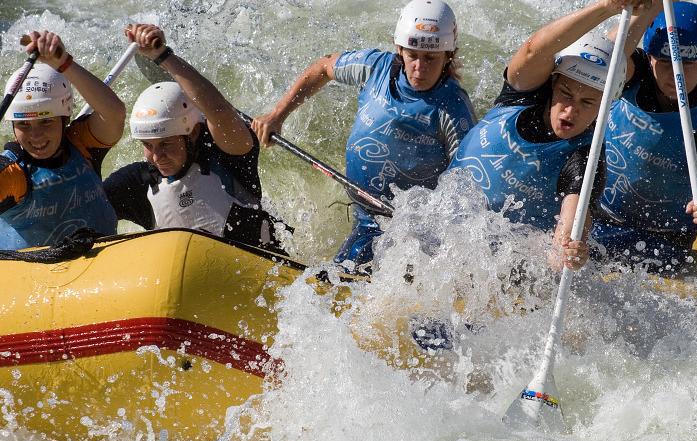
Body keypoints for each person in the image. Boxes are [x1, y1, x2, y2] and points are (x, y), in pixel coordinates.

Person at [251, 0, 476, 271]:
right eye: (412, 55)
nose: (419, 67)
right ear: (400, 49)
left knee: (338, 280)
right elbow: (324, 67)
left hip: (405, 226)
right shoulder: (375, 68)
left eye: (430, 58)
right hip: (364, 210)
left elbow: (466, 183)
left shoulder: (454, 108)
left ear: (448, 56)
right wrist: (277, 115)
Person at [447, 0, 645, 271]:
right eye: (566, 94)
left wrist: (569, 247)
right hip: (443, 223)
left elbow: (572, 219)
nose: (570, 111)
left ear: (604, 108)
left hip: (500, 264)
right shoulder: (520, 95)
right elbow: (534, 49)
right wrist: (608, 7)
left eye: (587, 103)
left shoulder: (584, 158)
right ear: (554, 82)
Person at [103, 24, 283, 250]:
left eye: (166, 143)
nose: (157, 156)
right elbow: (84, 207)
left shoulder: (227, 158)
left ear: (194, 132)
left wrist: (163, 56)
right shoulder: (137, 183)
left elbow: (217, 111)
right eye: (148, 145)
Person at [592, 2, 697, 273]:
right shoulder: (635, 74)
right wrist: (646, 8)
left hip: (661, 238)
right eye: (666, 62)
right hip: (598, 214)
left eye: (689, 63)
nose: (677, 74)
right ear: (650, 58)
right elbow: (605, 54)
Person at [0, 31, 124, 250]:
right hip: (32, 278)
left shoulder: (81, 144)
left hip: (100, 272)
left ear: (64, 119)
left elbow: (114, 114)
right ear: (12, 126)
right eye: (24, 125)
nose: (35, 136)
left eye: (46, 122)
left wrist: (64, 63)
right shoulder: (12, 174)